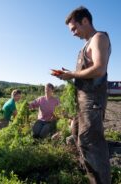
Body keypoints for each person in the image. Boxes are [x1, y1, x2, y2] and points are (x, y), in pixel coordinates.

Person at [58, 6, 111, 184]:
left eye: (74, 28)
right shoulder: (85, 46)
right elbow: (85, 74)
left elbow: (99, 69)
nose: (73, 33)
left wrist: (72, 74)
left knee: (92, 146)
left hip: (92, 102)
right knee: (79, 141)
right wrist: (68, 75)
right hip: (81, 103)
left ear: (85, 21)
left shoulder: (99, 38)